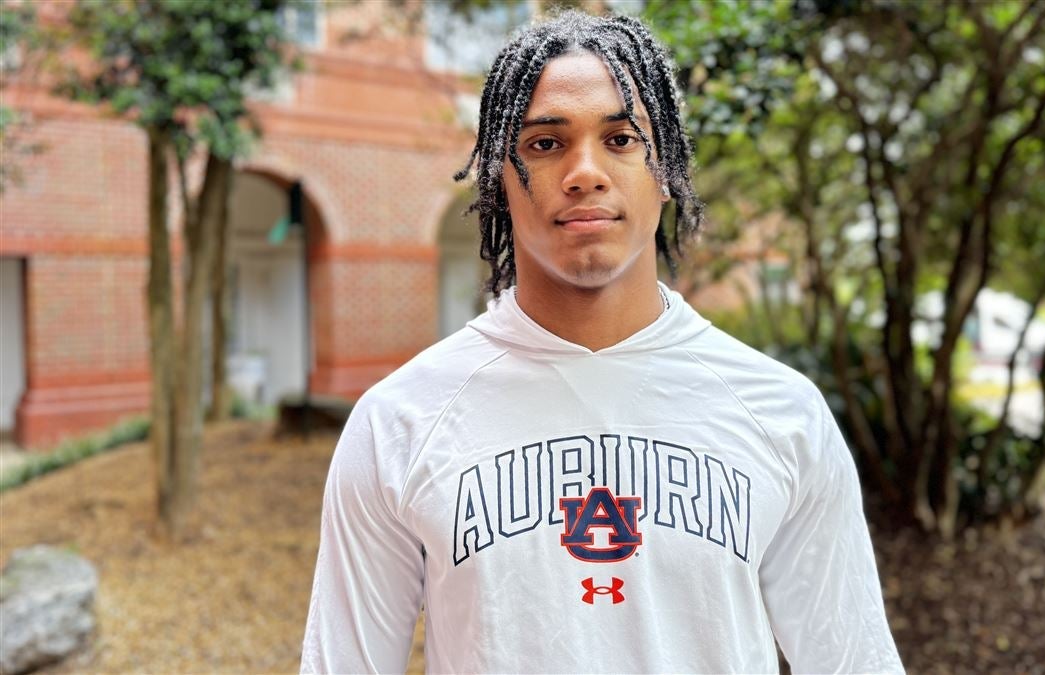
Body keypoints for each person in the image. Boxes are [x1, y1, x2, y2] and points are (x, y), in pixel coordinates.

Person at [300, 10, 903, 675]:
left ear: (666, 169)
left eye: (620, 138)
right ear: (499, 176)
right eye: (544, 143)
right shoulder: (400, 422)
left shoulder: (782, 413)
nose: (585, 171)